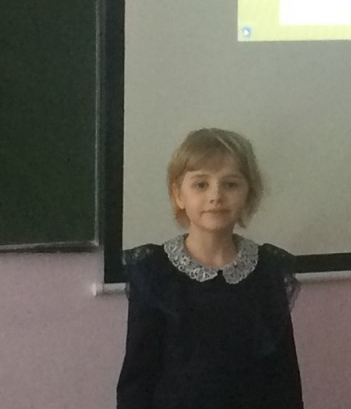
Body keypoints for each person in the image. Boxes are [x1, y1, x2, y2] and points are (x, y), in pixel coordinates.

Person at [116, 129, 304, 409]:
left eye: (230, 184)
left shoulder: (266, 271)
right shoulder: (155, 273)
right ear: (178, 195)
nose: (216, 195)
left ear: (249, 193)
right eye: (201, 184)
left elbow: (284, 377)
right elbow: (138, 377)